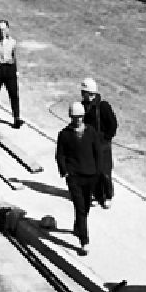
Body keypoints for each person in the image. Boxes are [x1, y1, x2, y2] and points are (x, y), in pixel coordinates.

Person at [56, 101, 100, 256]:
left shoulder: (91, 132)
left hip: (89, 175)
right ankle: (84, 241)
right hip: (74, 176)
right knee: (80, 208)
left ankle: (78, 226)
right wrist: (65, 172)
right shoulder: (64, 134)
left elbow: (97, 152)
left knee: (86, 206)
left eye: (80, 117)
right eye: (75, 117)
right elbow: (60, 155)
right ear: (70, 117)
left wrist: (98, 172)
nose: (78, 120)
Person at [81, 76, 118, 209]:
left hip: (103, 145)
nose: (84, 96)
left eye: (86, 93)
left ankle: (107, 196)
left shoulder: (103, 106)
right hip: (90, 145)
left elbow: (113, 124)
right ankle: (97, 195)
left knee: (105, 171)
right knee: (94, 171)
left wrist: (106, 138)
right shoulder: (83, 107)